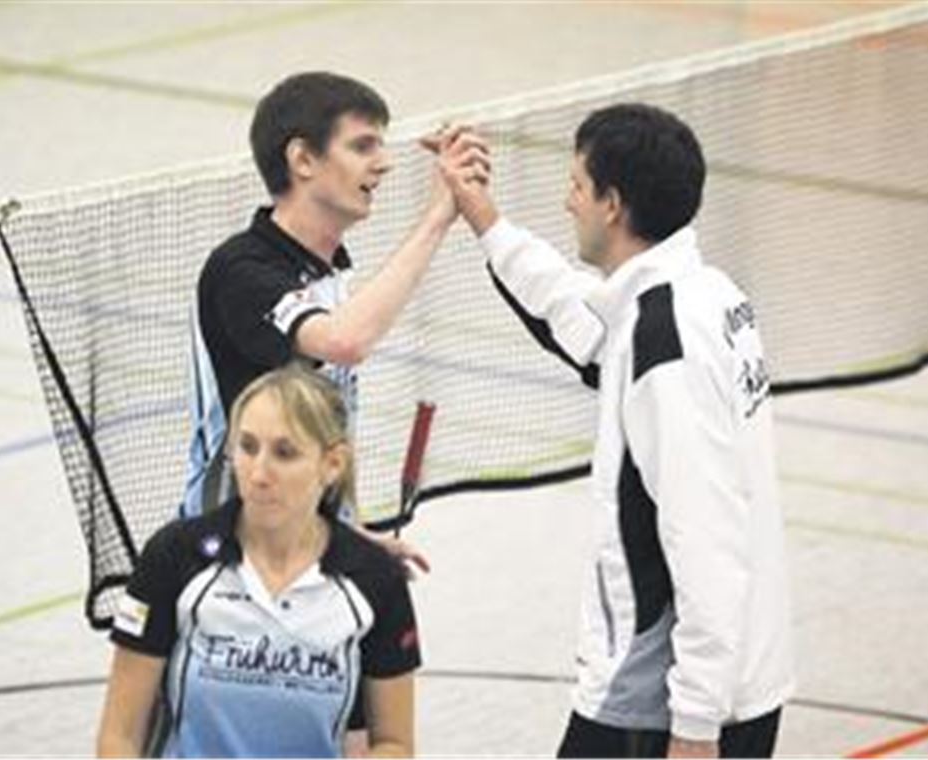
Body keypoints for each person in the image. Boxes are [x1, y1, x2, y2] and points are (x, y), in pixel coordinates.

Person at [435, 104, 794, 758]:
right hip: (718, 686)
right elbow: (577, 317)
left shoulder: (666, 342)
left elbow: (705, 536)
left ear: (612, 204)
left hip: (662, 704)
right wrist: (481, 213)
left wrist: (694, 725)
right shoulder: (701, 295)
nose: (566, 201)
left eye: (576, 185)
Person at [181, 70, 489, 520]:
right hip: (232, 547)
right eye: (363, 146)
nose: (384, 163)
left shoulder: (331, 272)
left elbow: (326, 433)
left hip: (306, 538)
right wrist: (438, 217)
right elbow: (345, 343)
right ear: (303, 159)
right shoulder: (241, 271)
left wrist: (352, 538)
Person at [97, 364, 421, 758]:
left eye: (284, 453)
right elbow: (120, 736)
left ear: (332, 464)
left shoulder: (374, 579)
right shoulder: (175, 556)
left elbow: (394, 744)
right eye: (247, 447)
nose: (258, 473)